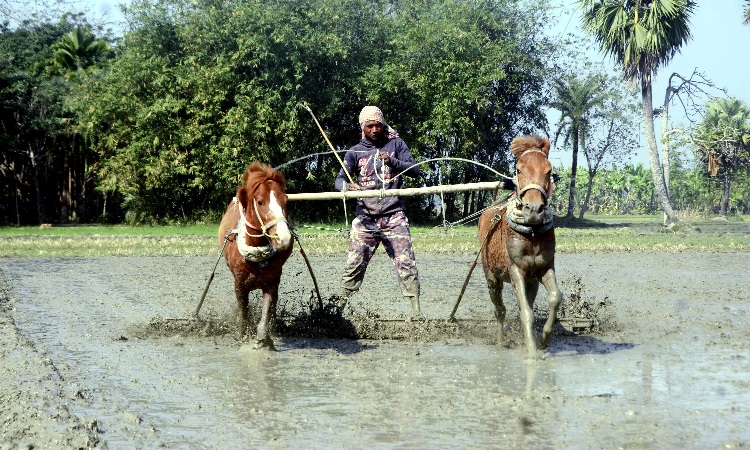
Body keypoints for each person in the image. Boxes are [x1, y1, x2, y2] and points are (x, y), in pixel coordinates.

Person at [334, 106, 422, 319]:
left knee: (406, 262)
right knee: (354, 265)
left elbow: (416, 170)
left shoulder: (396, 144)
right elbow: (339, 180)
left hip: (394, 216)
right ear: (363, 127)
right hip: (365, 218)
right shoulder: (355, 152)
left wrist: (392, 161)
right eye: (369, 126)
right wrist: (347, 188)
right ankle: (337, 312)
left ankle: (417, 313)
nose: (374, 129)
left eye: (378, 125)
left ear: (383, 125)